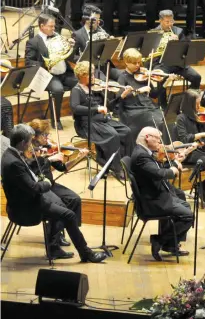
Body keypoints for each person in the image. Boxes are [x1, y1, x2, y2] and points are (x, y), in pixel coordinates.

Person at [1, 125, 107, 263]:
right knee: (68, 214)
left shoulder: (10, 154)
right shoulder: (14, 162)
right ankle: (86, 253)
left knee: (66, 204)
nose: (30, 146)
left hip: (26, 200)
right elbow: (34, 188)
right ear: (22, 143)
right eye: (29, 142)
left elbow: (29, 177)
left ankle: (55, 248)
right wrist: (46, 182)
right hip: (26, 208)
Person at [130, 127, 194, 260]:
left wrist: (175, 163)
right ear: (147, 137)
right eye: (157, 139)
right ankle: (159, 240)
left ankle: (171, 245)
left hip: (156, 194)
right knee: (188, 216)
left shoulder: (143, 151)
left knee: (185, 205)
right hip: (152, 201)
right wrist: (173, 169)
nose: (160, 142)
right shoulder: (141, 156)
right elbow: (159, 174)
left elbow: (156, 170)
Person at [27, 118, 89, 251]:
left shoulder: (47, 148)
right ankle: (54, 240)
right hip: (40, 187)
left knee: (74, 199)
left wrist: (78, 157)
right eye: (45, 134)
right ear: (35, 136)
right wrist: (48, 159)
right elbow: (32, 170)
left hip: (50, 185)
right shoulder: (28, 150)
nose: (48, 137)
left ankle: (60, 230)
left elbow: (62, 168)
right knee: (60, 203)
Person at [70, 61, 133, 178]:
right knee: (113, 135)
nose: (94, 77)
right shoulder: (77, 90)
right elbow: (75, 108)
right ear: (82, 76)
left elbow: (108, 106)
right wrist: (96, 109)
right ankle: (116, 167)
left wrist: (122, 96)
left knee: (126, 131)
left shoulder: (96, 89)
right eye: (91, 74)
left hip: (102, 120)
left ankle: (126, 162)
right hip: (86, 123)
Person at [24, 14, 77, 129]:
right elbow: (29, 62)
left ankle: (77, 115)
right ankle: (56, 120)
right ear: (42, 26)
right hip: (48, 75)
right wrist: (46, 64)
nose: (54, 29)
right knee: (58, 90)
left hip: (65, 73)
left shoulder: (58, 37)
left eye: (54, 26)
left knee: (80, 83)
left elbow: (68, 57)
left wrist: (71, 47)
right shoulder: (33, 42)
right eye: (51, 26)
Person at [116, 48, 172, 138]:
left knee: (167, 120)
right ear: (126, 62)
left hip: (148, 106)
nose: (138, 65)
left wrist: (167, 81)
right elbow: (119, 96)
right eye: (135, 63)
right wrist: (138, 91)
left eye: (139, 62)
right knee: (158, 122)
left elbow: (154, 94)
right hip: (134, 110)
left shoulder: (143, 75)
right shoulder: (123, 77)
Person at [150, 10, 202, 93]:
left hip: (178, 64)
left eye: (172, 21)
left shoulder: (178, 31)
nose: (170, 24)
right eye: (167, 22)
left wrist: (178, 43)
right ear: (160, 21)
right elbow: (151, 53)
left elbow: (186, 49)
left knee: (196, 77)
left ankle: (189, 99)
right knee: (161, 77)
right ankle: (162, 104)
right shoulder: (154, 33)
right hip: (161, 64)